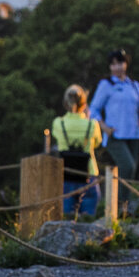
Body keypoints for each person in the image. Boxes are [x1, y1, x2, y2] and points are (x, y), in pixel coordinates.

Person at [87, 50, 139, 183]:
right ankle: (119, 201)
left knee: (131, 173)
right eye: (113, 64)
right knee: (127, 166)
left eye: (120, 63)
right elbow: (93, 109)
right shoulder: (106, 85)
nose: (117, 67)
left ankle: (125, 202)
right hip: (115, 135)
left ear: (126, 64)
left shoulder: (134, 85)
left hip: (134, 135)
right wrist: (104, 126)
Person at [50, 85, 102, 217]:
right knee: (88, 222)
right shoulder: (92, 124)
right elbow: (97, 143)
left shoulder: (58, 123)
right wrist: (87, 117)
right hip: (88, 173)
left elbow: (56, 137)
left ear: (66, 103)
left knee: (67, 219)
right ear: (84, 104)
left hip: (65, 175)